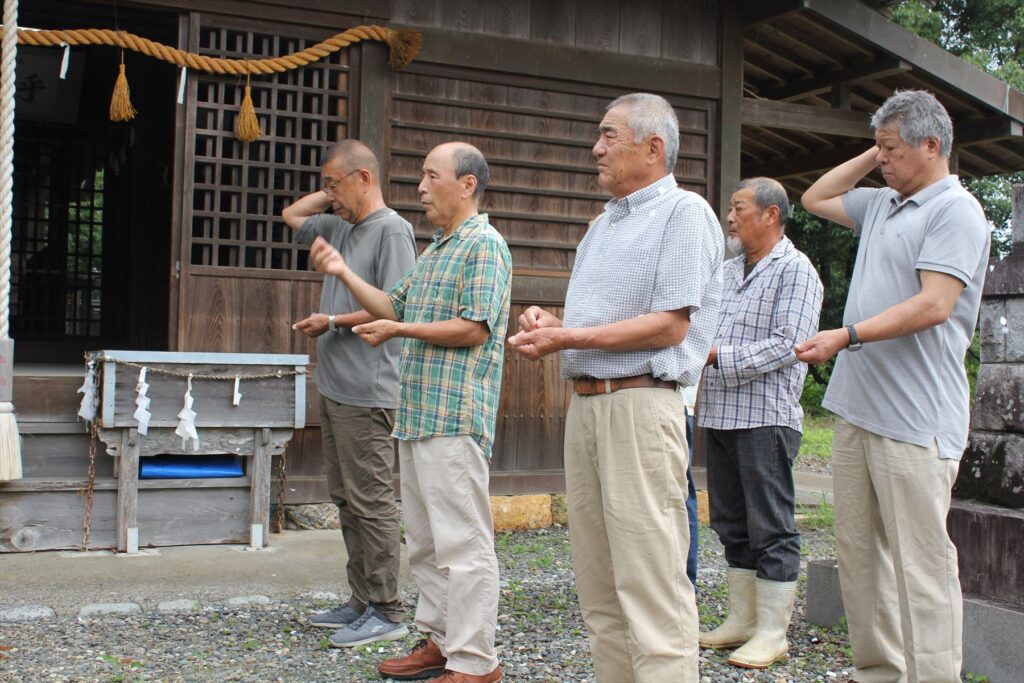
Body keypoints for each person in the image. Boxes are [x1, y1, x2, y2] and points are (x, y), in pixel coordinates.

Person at [508, 92, 723, 682]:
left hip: (642, 404)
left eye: (609, 136)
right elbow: (598, 327)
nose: (595, 148)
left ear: (654, 148)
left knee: (652, 584)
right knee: (599, 585)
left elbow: (670, 323)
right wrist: (554, 326)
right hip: (589, 406)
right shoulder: (601, 226)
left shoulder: (686, 213)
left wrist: (569, 334)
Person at [795, 90, 989, 682]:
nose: (884, 161)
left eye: (895, 149)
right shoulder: (883, 202)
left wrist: (847, 335)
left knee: (922, 566)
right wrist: (877, 150)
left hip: (916, 421)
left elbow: (933, 305)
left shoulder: (955, 210)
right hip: (858, 411)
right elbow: (815, 197)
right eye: (880, 150)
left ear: (933, 147)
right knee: (860, 559)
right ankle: (878, 671)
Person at [309, 141, 511, 683]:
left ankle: (476, 662)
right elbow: (394, 304)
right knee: (425, 543)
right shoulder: (437, 248)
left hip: (454, 416)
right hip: (418, 415)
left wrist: (400, 330)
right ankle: (442, 641)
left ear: (466, 184)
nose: (420, 187)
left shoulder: (484, 246)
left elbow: (475, 328)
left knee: (464, 544)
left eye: (430, 176)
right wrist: (345, 274)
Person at [282, 140, 417, 648]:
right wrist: (330, 195)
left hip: (371, 387)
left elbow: (396, 308)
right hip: (337, 382)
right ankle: (361, 599)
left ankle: (388, 608)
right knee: (344, 498)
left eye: (335, 184)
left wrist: (334, 319)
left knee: (372, 501)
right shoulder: (340, 224)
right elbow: (291, 213)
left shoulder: (392, 231)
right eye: (325, 186)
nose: (327, 196)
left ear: (365, 178)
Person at [696, 177, 823, 668]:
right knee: (730, 520)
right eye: (731, 208)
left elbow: (790, 344)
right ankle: (742, 621)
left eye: (739, 208)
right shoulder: (727, 272)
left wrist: (716, 357)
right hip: (722, 413)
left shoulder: (796, 270)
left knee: (771, 524)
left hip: (767, 416)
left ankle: (773, 631)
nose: (730, 217)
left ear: (771, 215)